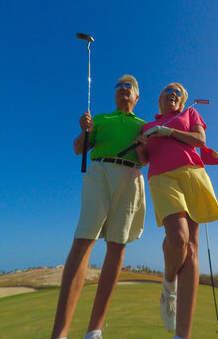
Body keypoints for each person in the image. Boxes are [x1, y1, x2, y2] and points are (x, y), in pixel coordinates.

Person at [51, 75, 146, 339]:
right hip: (99, 171)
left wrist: (144, 146)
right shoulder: (101, 119)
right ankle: (59, 334)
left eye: (128, 87)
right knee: (83, 240)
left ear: (137, 97)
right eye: (118, 86)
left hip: (131, 176)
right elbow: (78, 148)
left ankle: (94, 332)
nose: (122, 90)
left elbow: (147, 160)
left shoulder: (144, 125)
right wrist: (84, 129)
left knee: (117, 245)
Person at [135, 83, 218, 339]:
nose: (173, 94)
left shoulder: (189, 115)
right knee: (178, 237)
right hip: (161, 177)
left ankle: (182, 335)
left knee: (192, 247)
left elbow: (200, 140)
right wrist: (143, 143)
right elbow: (143, 160)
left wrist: (169, 132)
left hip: (192, 173)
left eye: (178, 93)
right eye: (168, 92)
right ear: (160, 99)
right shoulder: (146, 126)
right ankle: (169, 281)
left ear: (183, 102)